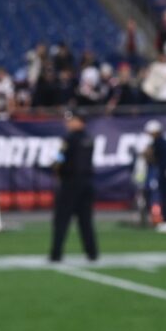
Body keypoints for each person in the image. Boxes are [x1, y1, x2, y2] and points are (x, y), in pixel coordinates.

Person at [49, 112, 98, 263]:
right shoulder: (89, 138)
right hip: (87, 183)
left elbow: (60, 158)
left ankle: (56, 254)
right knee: (86, 221)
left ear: (79, 121)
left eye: (71, 120)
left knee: (61, 220)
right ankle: (92, 253)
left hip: (70, 183)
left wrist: (55, 168)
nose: (68, 123)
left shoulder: (69, 139)